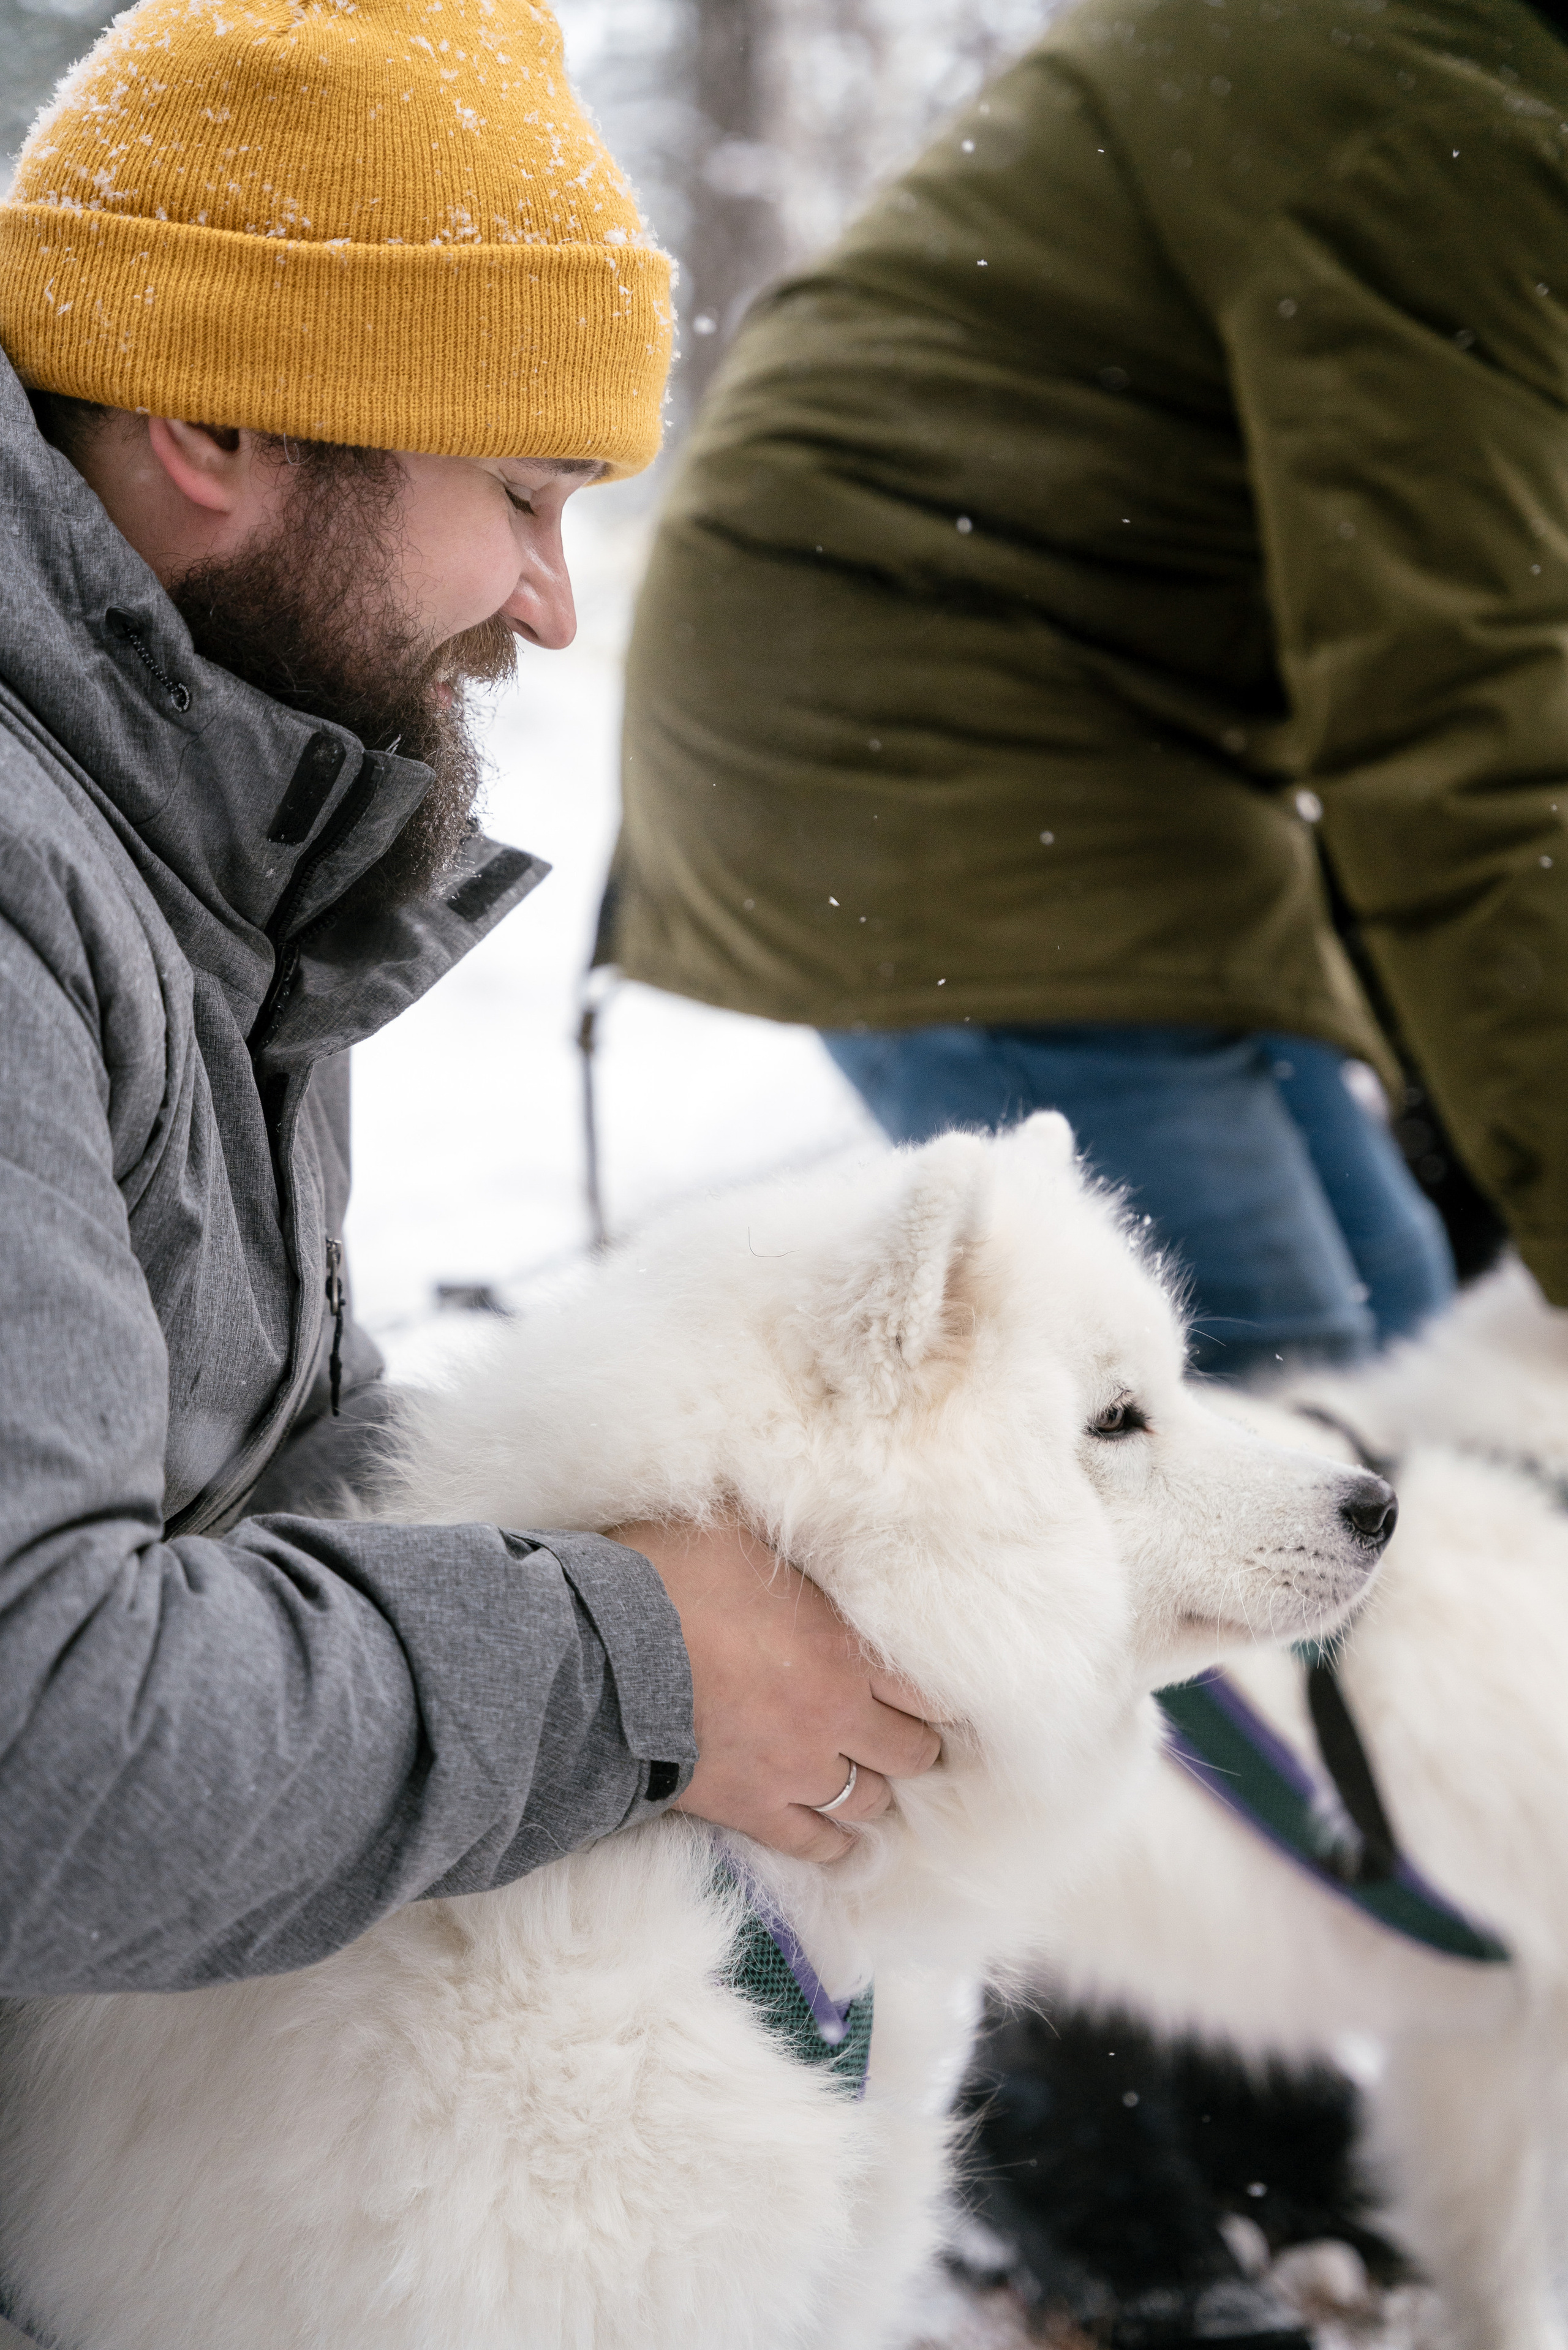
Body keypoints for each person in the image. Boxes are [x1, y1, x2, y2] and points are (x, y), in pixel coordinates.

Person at [0, 0, 943, 2032]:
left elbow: (248, 1486)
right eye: (521, 491)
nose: (553, 602)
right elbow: (40, 1753)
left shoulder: (204, 808)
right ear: (220, 431)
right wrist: (633, 1663)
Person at [608, 0, 1568, 1378]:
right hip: (908, 713)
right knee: (1258, 1383)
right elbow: (1461, 738)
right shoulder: (1433, 118)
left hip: (1093, 717)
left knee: (1394, 1313)